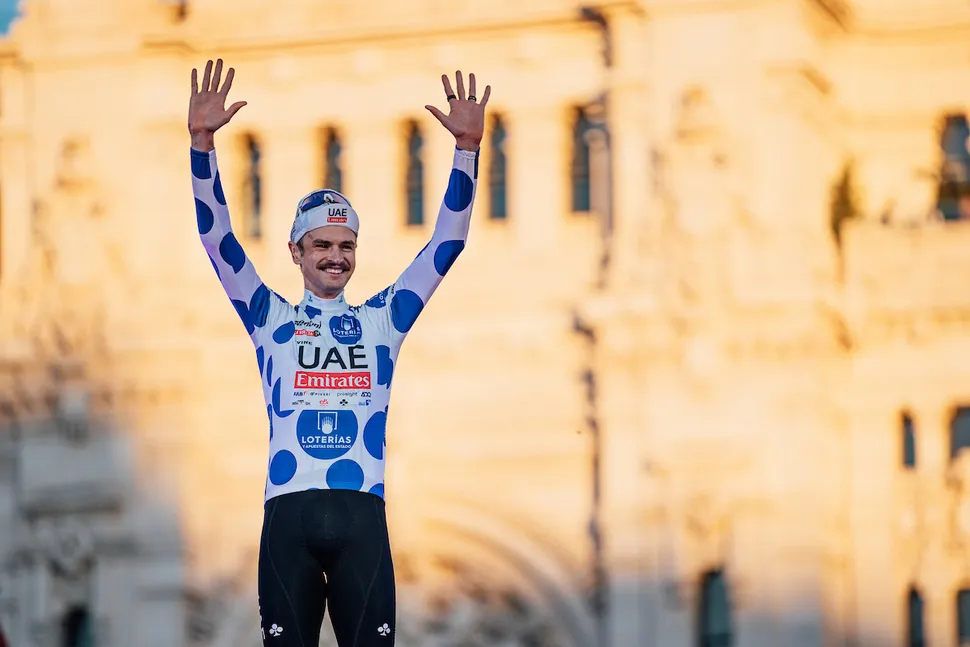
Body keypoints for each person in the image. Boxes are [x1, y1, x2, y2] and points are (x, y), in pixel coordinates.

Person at [187, 59, 490, 647]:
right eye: (322, 245)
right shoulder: (269, 318)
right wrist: (202, 145)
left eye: (346, 246)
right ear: (296, 253)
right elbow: (216, 239)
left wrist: (467, 151)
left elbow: (447, 244)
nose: (335, 256)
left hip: (361, 520)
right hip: (288, 521)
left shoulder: (383, 320)